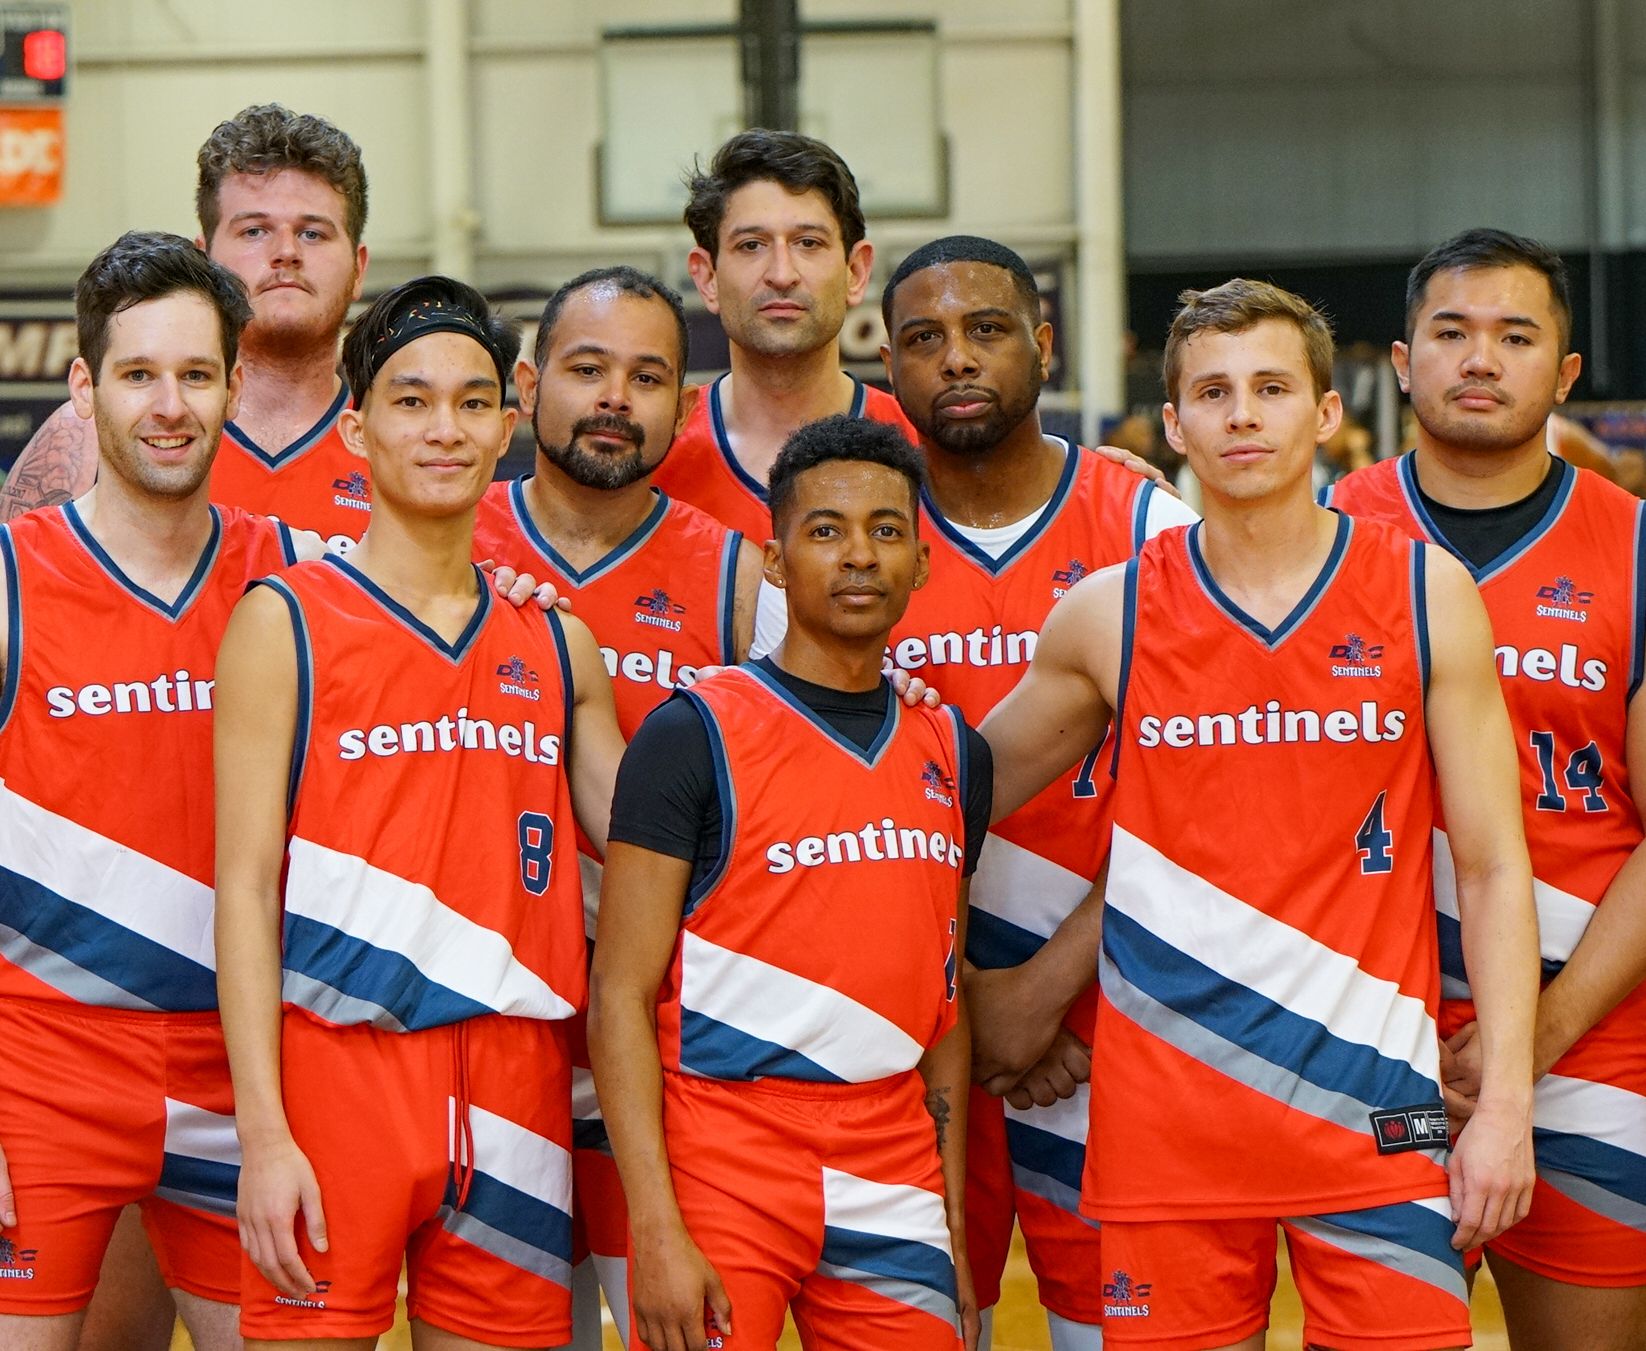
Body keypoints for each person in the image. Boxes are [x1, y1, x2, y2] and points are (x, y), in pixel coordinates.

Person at [978, 278, 1542, 1351]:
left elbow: (1493, 869)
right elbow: (941, 795)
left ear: (1327, 413)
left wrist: (1506, 1105)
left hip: (1375, 1115)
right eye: (1214, 391)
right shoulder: (1110, 611)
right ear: (1174, 422)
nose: (1243, 414)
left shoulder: (1427, 593)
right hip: (1169, 1127)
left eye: (1272, 387)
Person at [1324, 229, 1646, 1350]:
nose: (1480, 358)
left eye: (1515, 335)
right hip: (1370, 1038)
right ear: (1402, 363)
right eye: (1452, 332)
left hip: (1581, 1043)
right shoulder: (1328, 530)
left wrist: (1530, 1039)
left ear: (1567, 372)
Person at [213, 276, 624, 1347]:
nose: (443, 427)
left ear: (507, 424)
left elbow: (648, 842)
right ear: (356, 428)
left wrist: (849, 684)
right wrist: (261, 1131)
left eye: (472, 399)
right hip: (335, 1075)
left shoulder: (554, 641)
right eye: (410, 399)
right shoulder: (285, 621)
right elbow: (245, 889)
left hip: (517, 1079)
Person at [0, 232, 283, 1351]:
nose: (171, 404)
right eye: (139, 373)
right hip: (38, 1075)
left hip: (243, 1073)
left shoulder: (299, 573)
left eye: (198, 375)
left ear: (234, 385)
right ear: (85, 386)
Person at [594, 416, 982, 1351]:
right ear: (774, 562)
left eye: (887, 531)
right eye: (826, 530)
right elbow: (618, 993)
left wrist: (955, 1224)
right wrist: (653, 1226)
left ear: (921, 564)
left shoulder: (954, 750)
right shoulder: (691, 735)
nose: (859, 556)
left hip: (891, 1157)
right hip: (725, 1147)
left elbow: (946, 1001)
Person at [876, 235, 1196, 1350]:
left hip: (1112, 1026)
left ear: (1043, 346)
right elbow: (835, 819)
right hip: (916, 1031)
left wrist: (1048, 985)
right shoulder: (858, 539)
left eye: (987, 330)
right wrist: (976, 994)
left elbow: (1195, 804)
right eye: (924, 339)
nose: (957, 359)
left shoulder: (1151, 529)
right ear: (887, 363)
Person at [469, 265, 760, 1345]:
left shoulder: (736, 577)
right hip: (495, 1029)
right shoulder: (447, 537)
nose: (612, 399)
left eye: (645, 378)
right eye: (586, 369)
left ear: (683, 408)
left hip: (666, 1037)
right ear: (528, 383)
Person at [0, 104, 374, 551]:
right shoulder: (86, 435)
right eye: (254, 231)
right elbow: (9, 599)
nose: (286, 252)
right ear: (206, 258)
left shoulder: (406, 442)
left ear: (358, 269)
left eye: (313, 233)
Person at [653, 130, 916, 544]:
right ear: (707, 278)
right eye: (751, 245)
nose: (781, 273)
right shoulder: (650, 455)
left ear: (856, 272)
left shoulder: (923, 449)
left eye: (808, 243)